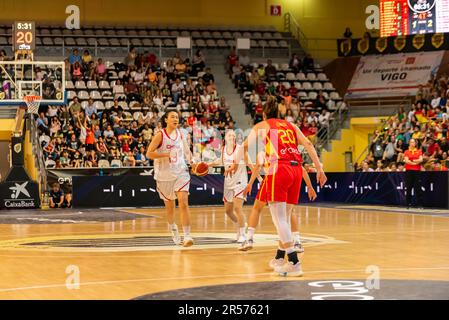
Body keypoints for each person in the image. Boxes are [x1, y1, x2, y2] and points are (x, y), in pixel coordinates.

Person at [226, 99, 327, 277]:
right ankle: (280, 258)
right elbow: (309, 145)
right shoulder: (291, 125)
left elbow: (245, 145)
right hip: (296, 169)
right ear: (279, 114)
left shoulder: (263, 125)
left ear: (264, 114)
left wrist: (234, 163)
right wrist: (319, 168)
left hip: (278, 168)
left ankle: (294, 262)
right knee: (285, 218)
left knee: (278, 219)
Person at [238, 163, 318, 252]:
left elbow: (258, 165)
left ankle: (249, 239)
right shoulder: (289, 152)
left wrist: (250, 183)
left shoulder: (268, 151)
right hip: (289, 177)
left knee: (257, 208)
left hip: (272, 179)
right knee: (290, 211)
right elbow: (301, 169)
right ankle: (297, 242)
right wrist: (310, 187)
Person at [146, 111, 196, 247]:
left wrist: (194, 162)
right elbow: (149, 153)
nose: (175, 119)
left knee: (183, 202)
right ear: (166, 120)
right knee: (170, 208)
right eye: (172, 117)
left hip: (181, 172)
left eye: (177, 117)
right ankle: (173, 228)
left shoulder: (181, 134)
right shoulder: (160, 135)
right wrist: (166, 154)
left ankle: (187, 235)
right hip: (164, 175)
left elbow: (187, 152)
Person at [207, 130, 249, 243]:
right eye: (229, 135)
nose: (231, 137)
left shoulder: (240, 149)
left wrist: (258, 177)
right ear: (225, 138)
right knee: (228, 211)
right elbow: (219, 161)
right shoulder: (223, 149)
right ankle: (240, 225)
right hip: (228, 182)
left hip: (240, 181)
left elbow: (249, 162)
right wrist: (208, 164)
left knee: (237, 208)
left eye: (233, 135)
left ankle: (243, 234)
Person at [404, 138, 424, 208]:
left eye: (413, 142)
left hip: (417, 171)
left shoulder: (419, 151)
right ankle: (408, 203)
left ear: (415, 144)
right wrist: (415, 162)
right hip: (409, 171)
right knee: (409, 187)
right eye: (411, 142)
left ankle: (420, 204)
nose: (412, 143)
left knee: (418, 187)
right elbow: (406, 161)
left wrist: (412, 161)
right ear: (409, 143)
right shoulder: (406, 151)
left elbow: (421, 159)